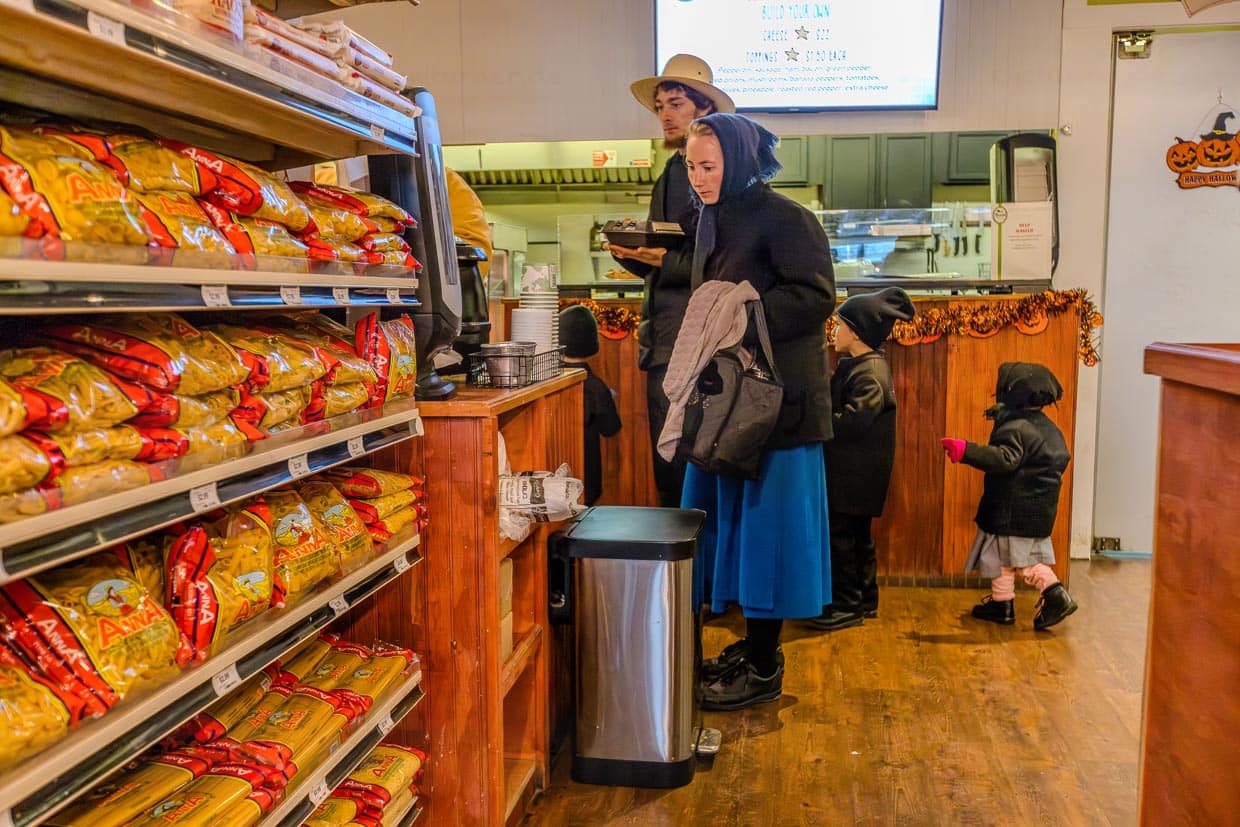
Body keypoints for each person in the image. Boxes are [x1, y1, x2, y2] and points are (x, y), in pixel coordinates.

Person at [666, 113, 835, 710]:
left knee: (769, 535)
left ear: (737, 161)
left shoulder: (788, 219)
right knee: (728, 529)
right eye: (690, 165)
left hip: (780, 407)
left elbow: (815, 299)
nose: (698, 176)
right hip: (731, 405)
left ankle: (765, 664)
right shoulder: (711, 220)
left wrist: (740, 317)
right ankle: (753, 647)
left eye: (708, 165)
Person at [610, 54, 734, 508]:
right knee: (672, 465)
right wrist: (631, 255)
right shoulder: (671, 172)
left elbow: (719, 262)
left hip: (692, 343)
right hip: (666, 339)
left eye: (676, 103)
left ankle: (694, 571)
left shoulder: (710, 173)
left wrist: (658, 259)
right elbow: (663, 257)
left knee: (684, 465)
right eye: (661, 105)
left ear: (703, 109)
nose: (665, 113)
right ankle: (684, 571)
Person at [941, 362, 1078, 631]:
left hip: (1011, 508)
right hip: (1039, 508)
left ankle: (1055, 594)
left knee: (1021, 561)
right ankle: (1001, 604)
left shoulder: (1014, 427)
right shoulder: (1049, 429)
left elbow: (1004, 459)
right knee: (1005, 557)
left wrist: (966, 450)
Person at [810, 287, 915, 632]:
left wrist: (822, 416)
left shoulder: (869, 373)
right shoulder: (860, 366)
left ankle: (847, 605)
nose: (834, 332)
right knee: (858, 539)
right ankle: (866, 599)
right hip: (856, 476)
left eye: (838, 326)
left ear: (855, 333)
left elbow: (854, 423)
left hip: (854, 478)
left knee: (843, 541)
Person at [559, 305, 622, 506]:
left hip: (552, 478)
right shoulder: (596, 386)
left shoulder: (547, 383)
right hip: (587, 482)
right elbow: (611, 428)